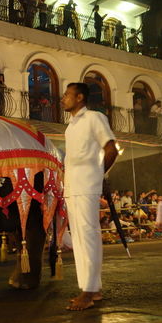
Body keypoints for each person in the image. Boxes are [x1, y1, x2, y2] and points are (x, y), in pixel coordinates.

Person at [61, 82, 118, 311]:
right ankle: (91, 289)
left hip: (86, 186)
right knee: (79, 240)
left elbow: (111, 148)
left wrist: (98, 174)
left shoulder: (94, 118)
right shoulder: (70, 127)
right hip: (72, 187)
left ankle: (88, 291)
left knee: (89, 237)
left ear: (80, 97)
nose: (63, 98)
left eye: (67, 94)